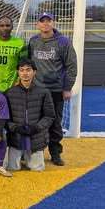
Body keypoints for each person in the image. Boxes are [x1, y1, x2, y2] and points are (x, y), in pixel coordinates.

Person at [28, 12, 78, 166]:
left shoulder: (63, 42)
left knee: (55, 122)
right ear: (37, 24)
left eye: (48, 21)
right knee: (35, 121)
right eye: (42, 21)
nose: (45, 24)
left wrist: (67, 88)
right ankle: (36, 151)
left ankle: (55, 153)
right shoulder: (33, 41)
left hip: (56, 90)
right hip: (37, 89)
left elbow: (71, 66)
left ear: (53, 23)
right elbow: (29, 64)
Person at [4, 59, 56, 172]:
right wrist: (15, 128)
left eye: (28, 70)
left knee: (37, 169)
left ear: (34, 72)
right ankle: (20, 155)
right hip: (16, 138)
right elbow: (4, 118)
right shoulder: (9, 93)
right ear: (18, 72)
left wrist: (36, 127)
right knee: (13, 168)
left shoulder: (44, 92)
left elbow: (49, 116)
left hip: (35, 138)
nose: (25, 73)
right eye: (21, 70)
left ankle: (30, 155)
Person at [0, 16, 27, 93]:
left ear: (12, 27)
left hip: (13, 84)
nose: (5, 28)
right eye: (2, 25)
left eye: (8, 25)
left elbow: (23, 65)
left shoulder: (20, 44)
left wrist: (19, 81)